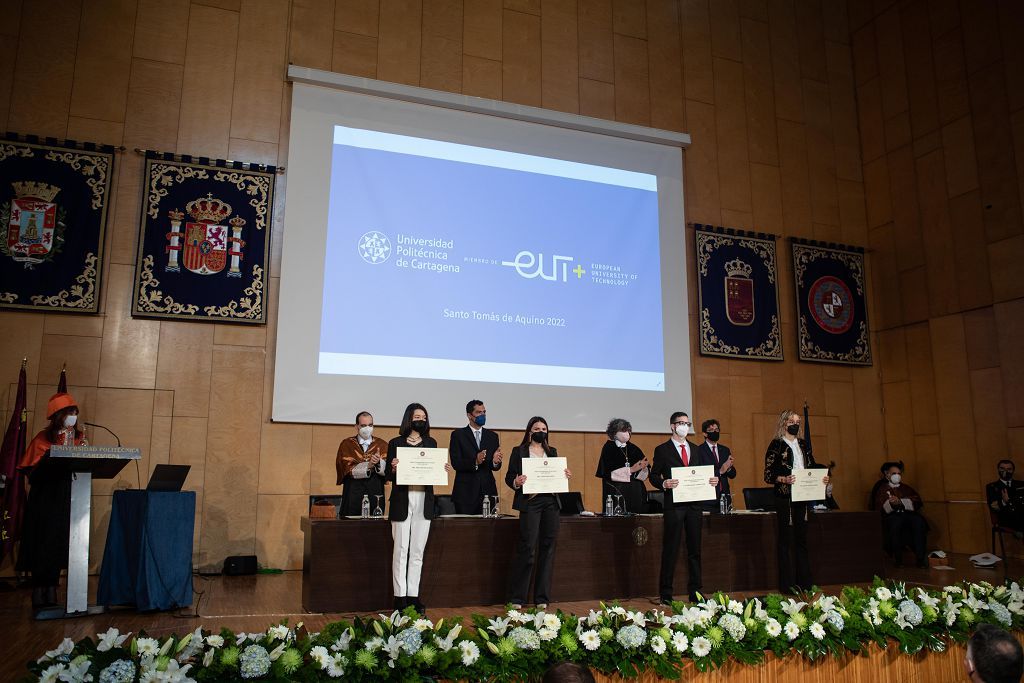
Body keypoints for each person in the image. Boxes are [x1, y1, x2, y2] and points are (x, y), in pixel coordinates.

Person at [17, 392, 88, 611]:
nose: (73, 416)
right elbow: (31, 471)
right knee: (43, 544)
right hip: (45, 500)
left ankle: (53, 590)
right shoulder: (42, 439)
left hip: (68, 498)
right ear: (58, 415)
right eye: (69, 412)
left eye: (75, 412)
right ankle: (40, 591)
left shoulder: (79, 439)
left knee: (59, 543)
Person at [386, 402, 451, 615]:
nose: (421, 420)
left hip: (424, 499)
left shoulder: (431, 443)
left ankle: (413, 595)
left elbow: (434, 472)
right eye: (417, 416)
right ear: (409, 419)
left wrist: (443, 470)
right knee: (400, 550)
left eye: (424, 417)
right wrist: (394, 468)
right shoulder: (395, 442)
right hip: (402, 500)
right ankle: (399, 596)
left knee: (417, 552)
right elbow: (387, 475)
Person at [650, 411, 718, 604]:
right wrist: (664, 483)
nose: (684, 427)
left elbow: (701, 475)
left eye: (687, 423)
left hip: (694, 506)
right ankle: (666, 593)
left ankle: (695, 592)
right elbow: (654, 475)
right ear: (672, 426)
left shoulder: (696, 449)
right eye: (681, 423)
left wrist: (711, 480)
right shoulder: (662, 450)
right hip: (674, 506)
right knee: (671, 548)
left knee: (695, 549)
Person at [506, 416, 571, 609]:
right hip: (531, 502)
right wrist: (517, 481)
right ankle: (517, 598)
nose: (541, 431)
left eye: (544, 428)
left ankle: (542, 598)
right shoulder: (519, 451)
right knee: (527, 548)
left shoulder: (552, 452)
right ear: (529, 431)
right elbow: (510, 477)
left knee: (548, 548)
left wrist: (565, 475)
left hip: (550, 502)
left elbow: (558, 477)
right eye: (537, 428)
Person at [762, 409, 829, 594]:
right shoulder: (776, 445)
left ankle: (804, 583)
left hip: (803, 496)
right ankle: (787, 584)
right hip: (785, 497)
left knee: (802, 540)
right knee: (785, 541)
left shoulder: (802, 443)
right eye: (792, 421)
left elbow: (812, 466)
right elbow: (768, 475)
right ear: (784, 423)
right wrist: (784, 479)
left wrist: (822, 476)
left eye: (798, 421)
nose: (796, 424)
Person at [449, 399, 503, 515]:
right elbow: (456, 463)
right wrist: (475, 461)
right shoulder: (458, 435)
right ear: (469, 415)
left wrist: (495, 462)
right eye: (479, 412)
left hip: (487, 492)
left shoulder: (492, 436)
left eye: (484, 412)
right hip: (465, 493)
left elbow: (495, 467)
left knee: (488, 531)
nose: (483, 415)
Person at [872, 461, 927, 567]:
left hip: (908, 514)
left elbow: (917, 500)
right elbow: (879, 506)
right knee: (895, 524)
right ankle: (898, 559)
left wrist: (901, 502)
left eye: (899, 473)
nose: (897, 476)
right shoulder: (882, 489)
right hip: (892, 516)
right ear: (887, 474)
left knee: (919, 522)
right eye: (894, 473)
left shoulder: (906, 488)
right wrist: (891, 503)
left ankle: (920, 558)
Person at [335, 411, 389, 517]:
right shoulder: (347, 444)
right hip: (353, 491)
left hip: (375, 490)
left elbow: (388, 471)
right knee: (350, 528)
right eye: (363, 425)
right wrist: (368, 466)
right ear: (356, 426)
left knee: (374, 527)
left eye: (370, 425)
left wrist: (378, 462)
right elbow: (346, 468)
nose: (367, 428)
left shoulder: (382, 444)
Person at [594, 417, 648, 514]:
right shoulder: (609, 448)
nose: (627, 433)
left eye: (629, 430)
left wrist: (644, 469)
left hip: (635, 491)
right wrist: (631, 470)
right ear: (614, 433)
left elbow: (645, 468)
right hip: (617, 490)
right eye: (623, 430)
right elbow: (608, 472)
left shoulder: (633, 448)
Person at [696, 418, 735, 512]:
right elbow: (699, 475)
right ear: (705, 434)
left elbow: (733, 474)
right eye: (711, 430)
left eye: (717, 430)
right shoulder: (698, 451)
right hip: (708, 499)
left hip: (725, 497)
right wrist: (720, 471)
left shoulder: (724, 450)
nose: (715, 432)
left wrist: (728, 468)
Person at [986, 460, 1024, 534]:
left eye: (1009, 469)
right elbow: (993, 506)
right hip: (1006, 518)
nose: (1005, 471)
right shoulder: (992, 487)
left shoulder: (1021, 484)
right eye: (1002, 468)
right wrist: (1004, 501)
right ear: (998, 470)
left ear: (1013, 471)